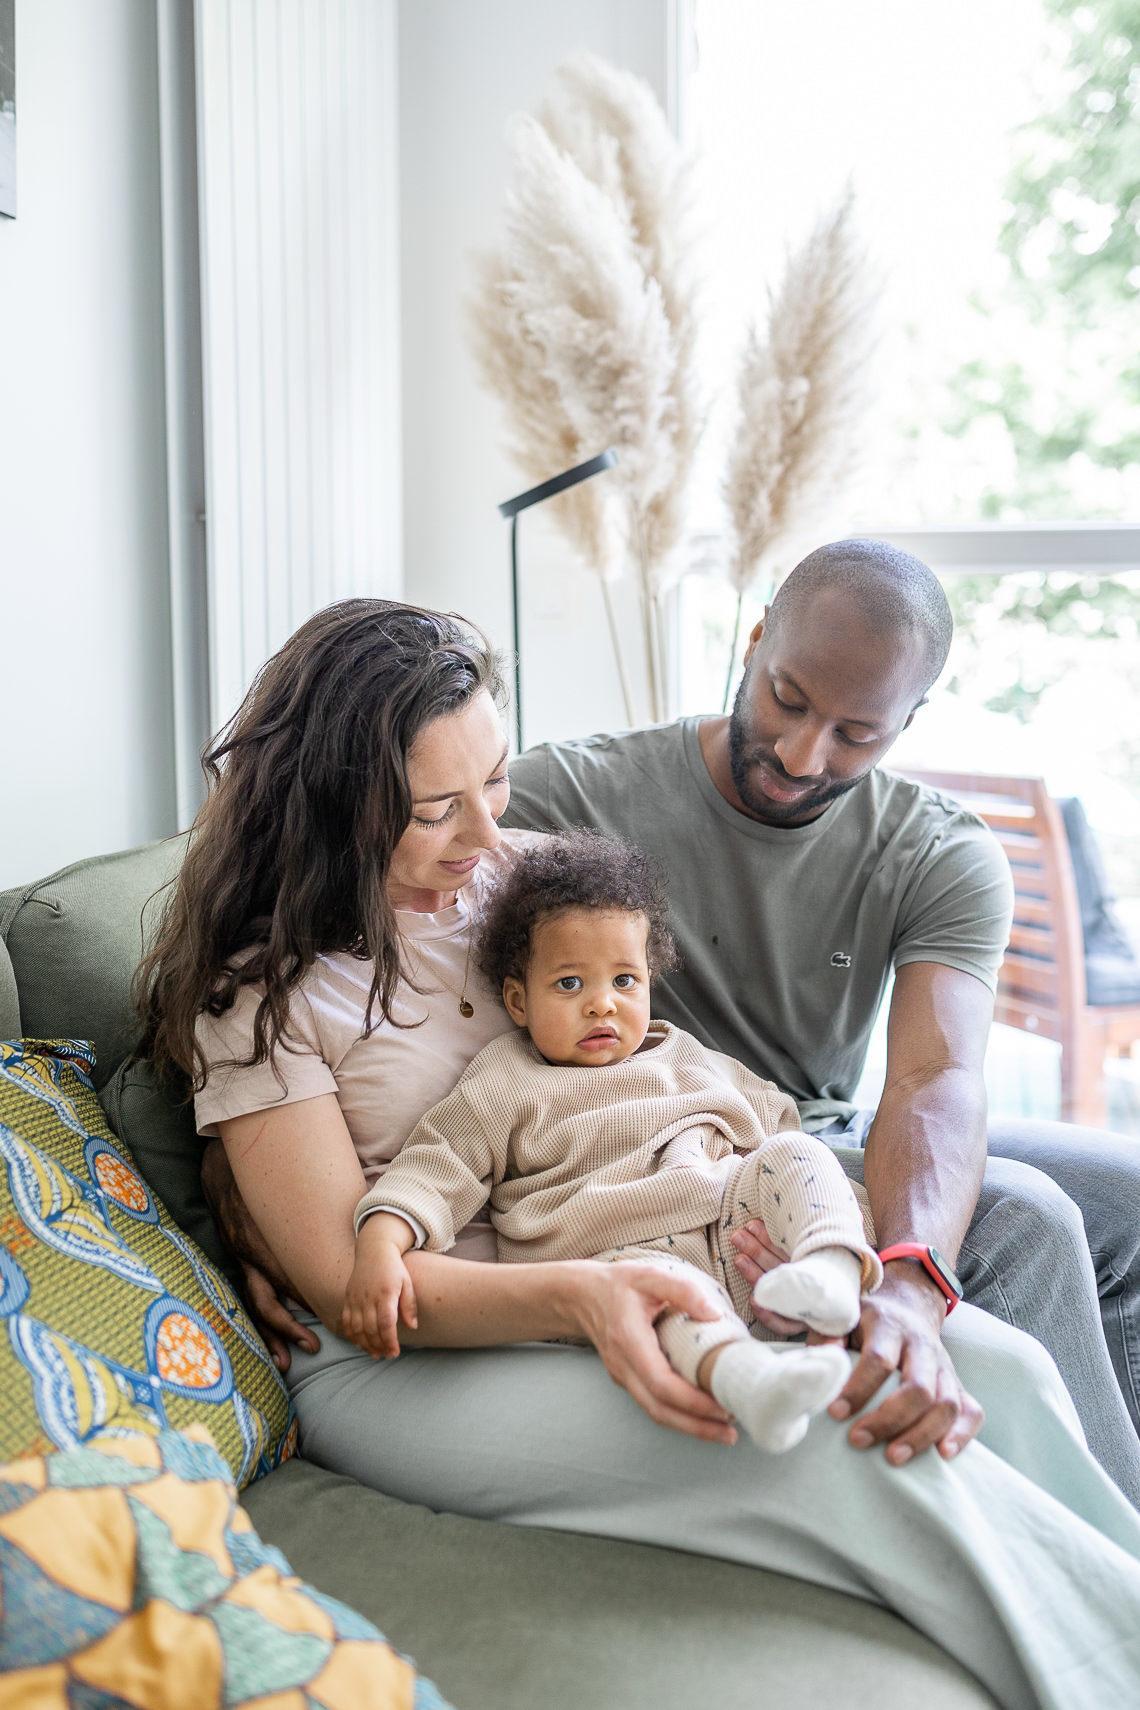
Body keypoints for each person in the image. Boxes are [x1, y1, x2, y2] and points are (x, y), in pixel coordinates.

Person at [136, 596, 1140, 1710]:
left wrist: (750, 1227)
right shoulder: (264, 994)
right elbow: (346, 1283)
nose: (482, 839)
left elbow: (673, 1070)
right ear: (331, 806)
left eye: (497, 783)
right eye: (433, 811)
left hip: (624, 1255)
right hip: (414, 1360)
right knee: (836, 1447)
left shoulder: (527, 882)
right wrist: (589, 1296)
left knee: (1005, 1369)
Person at [503, 538, 1140, 1506]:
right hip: (686, 1144)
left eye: (857, 734)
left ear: (909, 722)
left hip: (825, 1130)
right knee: (1031, 1226)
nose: (804, 757)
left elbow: (934, 1081)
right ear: (755, 642)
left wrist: (910, 1279)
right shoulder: (578, 794)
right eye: (788, 700)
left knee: (1127, 1202)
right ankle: (1114, 1561)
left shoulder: (937, 851)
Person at [342, 829, 882, 1453]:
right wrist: (381, 1241)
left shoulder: (685, 1054)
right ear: (518, 1001)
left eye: (624, 981)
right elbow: (438, 1166)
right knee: (662, 1294)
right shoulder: (504, 1081)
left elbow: (779, 1137)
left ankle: (832, 1272)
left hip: (734, 1231)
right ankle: (752, 1384)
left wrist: (818, 1225)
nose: (602, 1005)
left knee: (798, 1152)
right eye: (569, 985)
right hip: (616, 1259)